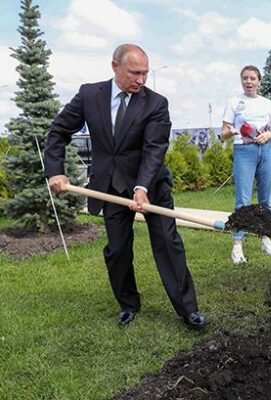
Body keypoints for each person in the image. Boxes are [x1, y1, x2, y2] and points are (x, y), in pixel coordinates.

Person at [44, 44, 206, 329]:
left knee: (168, 244)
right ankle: (128, 304)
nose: (141, 80)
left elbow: (154, 149)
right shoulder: (89, 95)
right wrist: (55, 171)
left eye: (144, 73)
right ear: (114, 66)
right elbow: (58, 131)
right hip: (109, 186)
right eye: (135, 73)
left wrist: (142, 187)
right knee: (118, 250)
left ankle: (188, 309)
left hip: (151, 185)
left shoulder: (156, 103)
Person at [221, 65, 271, 264]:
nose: (249, 82)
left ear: (259, 81)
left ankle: (266, 239)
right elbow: (223, 133)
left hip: (266, 152)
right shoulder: (233, 102)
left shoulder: (267, 103)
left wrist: (269, 134)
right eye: (245, 78)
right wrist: (231, 132)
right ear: (241, 80)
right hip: (244, 152)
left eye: (253, 78)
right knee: (243, 201)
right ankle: (237, 246)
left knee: (266, 199)